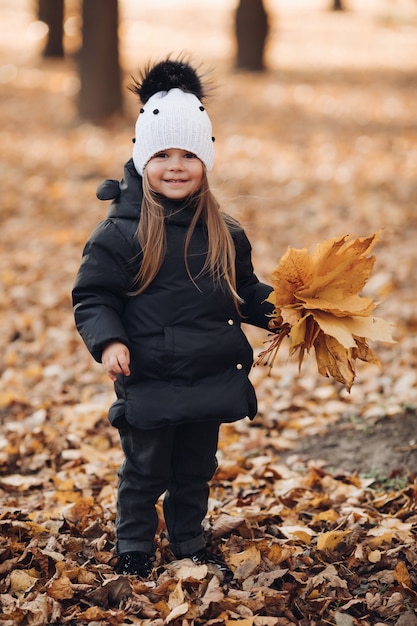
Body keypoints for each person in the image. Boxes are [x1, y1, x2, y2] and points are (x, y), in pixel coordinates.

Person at [72, 58, 274, 583]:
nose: (176, 165)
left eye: (189, 154)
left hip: (208, 372)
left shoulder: (225, 232)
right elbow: (93, 295)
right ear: (142, 159)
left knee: (194, 469)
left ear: (206, 161)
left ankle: (190, 540)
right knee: (145, 469)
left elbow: (244, 292)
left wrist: (283, 311)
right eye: (162, 154)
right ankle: (134, 545)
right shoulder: (121, 232)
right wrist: (109, 340)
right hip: (150, 376)